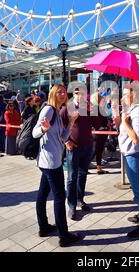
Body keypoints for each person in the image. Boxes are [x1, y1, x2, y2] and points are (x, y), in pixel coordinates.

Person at [32, 84, 82, 247]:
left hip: (49, 161)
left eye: (63, 92)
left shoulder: (57, 112)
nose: (62, 94)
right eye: (58, 91)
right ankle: (64, 235)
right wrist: (42, 129)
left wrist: (71, 122)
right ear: (53, 94)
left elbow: (62, 137)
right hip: (51, 163)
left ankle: (44, 227)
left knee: (43, 193)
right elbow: (34, 133)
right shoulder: (48, 110)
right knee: (60, 197)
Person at [116, 82, 139, 239]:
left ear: (134, 95)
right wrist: (119, 118)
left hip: (134, 155)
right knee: (137, 189)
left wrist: (125, 122)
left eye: (125, 94)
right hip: (129, 153)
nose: (122, 97)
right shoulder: (131, 110)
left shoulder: (138, 111)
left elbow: (137, 138)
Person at [61, 87, 102, 220]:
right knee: (72, 176)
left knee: (83, 174)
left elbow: (97, 124)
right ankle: (71, 205)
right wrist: (66, 141)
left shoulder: (88, 107)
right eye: (78, 93)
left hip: (87, 146)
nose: (80, 96)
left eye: (83, 94)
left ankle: (80, 199)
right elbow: (59, 127)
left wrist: (93, 110)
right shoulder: (67, 108)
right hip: (73, 147)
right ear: (74, 94)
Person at [90, 91, 110, 175]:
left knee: (99, 150)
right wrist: (104, 124)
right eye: (100, 97)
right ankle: (83, 166)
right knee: (94, 150)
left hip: (102, 132)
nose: (102, 98)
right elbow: (97, 121)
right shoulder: (95, 108)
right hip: (97, 133)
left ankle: (99, 168)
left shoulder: (100, 107)